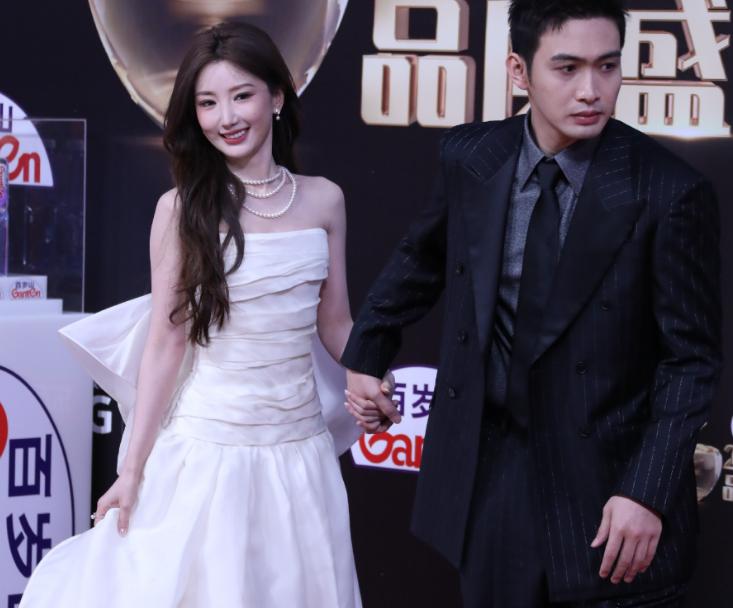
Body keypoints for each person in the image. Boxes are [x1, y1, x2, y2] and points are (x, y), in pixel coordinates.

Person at [342, 1, 721, 606]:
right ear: (519, 70)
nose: (591, 90)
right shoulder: (471, 157)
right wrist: (367, 352)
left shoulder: (668, 192)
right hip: (492, 468)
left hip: (608, 478)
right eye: (567, 68)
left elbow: (692, 360)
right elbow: (422, 257)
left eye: (607, 66)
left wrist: (646, 491)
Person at [20, 22, 388, 607]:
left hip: (300, 453)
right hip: (208, 451)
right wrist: (132, 470)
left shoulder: (325, 199)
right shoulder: (181, 210)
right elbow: (166, 342)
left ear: (277, 96)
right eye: (208, 103)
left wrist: (370, 373)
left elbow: (336, 322)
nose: (227, 118)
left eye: (241, 96)